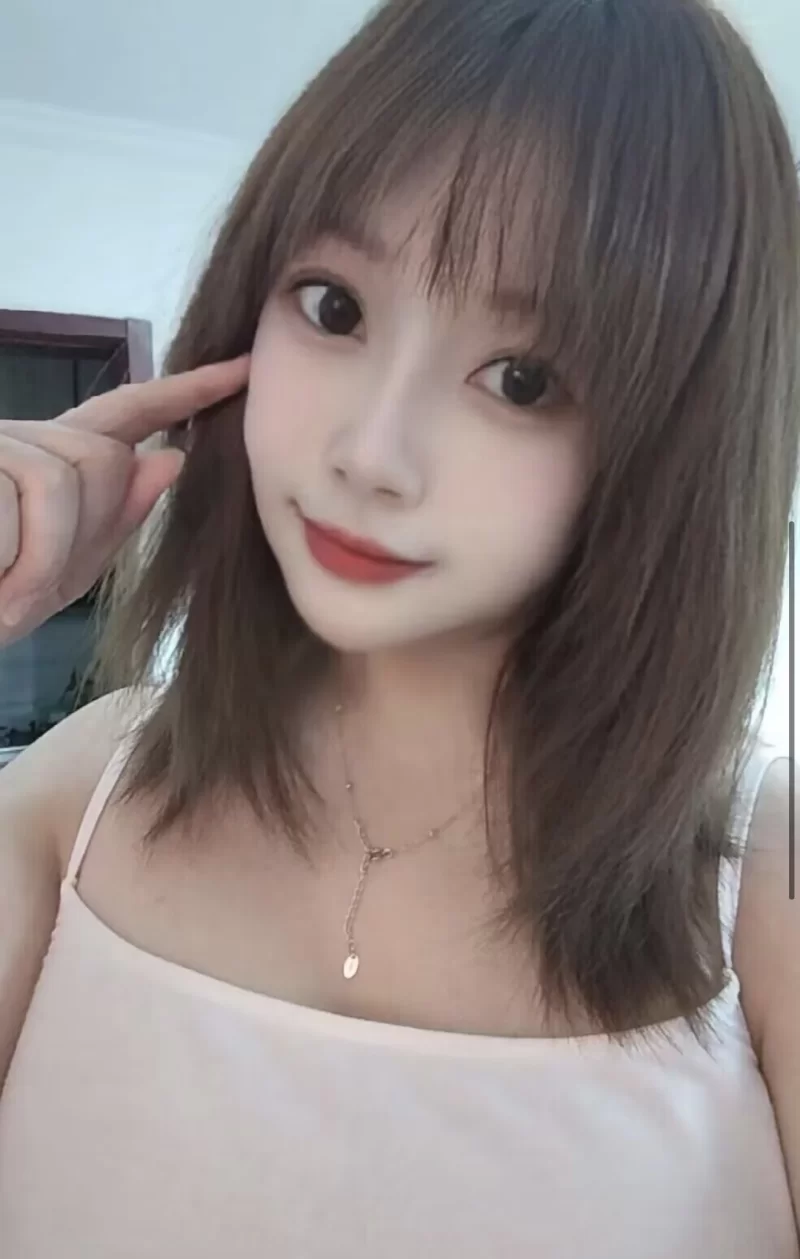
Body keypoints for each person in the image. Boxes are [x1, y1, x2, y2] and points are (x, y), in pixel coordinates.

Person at [0, 0, 797, 1253]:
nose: (371, 453)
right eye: (332, 307)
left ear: (676, 444)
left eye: (521, 380)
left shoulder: (762, 890)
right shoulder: (79, 796)